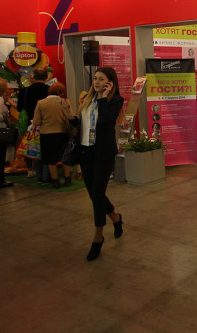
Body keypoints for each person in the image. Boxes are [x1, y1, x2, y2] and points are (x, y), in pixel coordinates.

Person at [77, 67, 124, 261]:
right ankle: (116, 218)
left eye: (101, 79)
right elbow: (82, 124)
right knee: (94, 194)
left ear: (110, 82)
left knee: (97, 195)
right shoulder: (86, 99)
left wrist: (104, 97)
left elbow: (106, 120)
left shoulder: (115, 100)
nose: (96, 82)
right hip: (85, 152)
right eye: (95, 78)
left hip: (103, 153)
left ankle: (98, 237)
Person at [33, 82, 74, 188]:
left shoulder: (41, 103)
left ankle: (55, 181)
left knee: (50, 159)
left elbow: (36, 122)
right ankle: (67, 179)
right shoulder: (65, 101)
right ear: (61, 92)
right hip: (63, 133)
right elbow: (71, 117)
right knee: (65, 157)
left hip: (46, 134)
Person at [18, 68, 50, 182]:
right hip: (47, 123)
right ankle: (46, 175)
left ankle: (35, 172)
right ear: (46, 77)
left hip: (30, 124)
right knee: (46, 149)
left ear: (34, 77)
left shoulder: (25, 91)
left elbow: (20, 108)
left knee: (33, 148)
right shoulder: (50, 90)